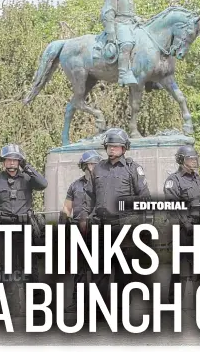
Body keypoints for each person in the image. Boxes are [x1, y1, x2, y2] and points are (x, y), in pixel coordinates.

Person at [81, 128, 151, 320]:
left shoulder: (132, 168)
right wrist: (87, 217)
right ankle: (100, 311)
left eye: (116, 146)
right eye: (110, 146)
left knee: (123, 272)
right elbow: (89, 196)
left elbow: (144, 197)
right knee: (99, 271)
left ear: (124, 148)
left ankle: (120, 311)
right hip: (102, 227)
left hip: (125, 226)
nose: (112, 149)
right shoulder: (99, 168)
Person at [0, 144, 48, 318]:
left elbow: (43, 184)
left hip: (25, 229)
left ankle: (37, 309)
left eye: (15, 160)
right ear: (3, 162)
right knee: (6, 269)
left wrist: (28, 167)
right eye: (8, 159)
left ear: (19, 161)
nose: (11, 163)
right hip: (3, 229)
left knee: (30, 269)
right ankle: (10, 309)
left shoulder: (27, 177)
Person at [163, 145, 200, 304]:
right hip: (183, 229)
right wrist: (186, 224)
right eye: (190, 159)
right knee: (181, 265)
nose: (194, 161)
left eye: (195, 158)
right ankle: (174, 300)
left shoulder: (198, 179)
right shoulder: (173, 180)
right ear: (181, 160)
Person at [61, 150, 102, 313]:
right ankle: (77, 302)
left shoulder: (103, 186)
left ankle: (98, 304)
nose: (92, 167)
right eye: (89, 164)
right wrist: (63, 221)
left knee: (98, 269)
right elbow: (66, 207)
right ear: (83, 165)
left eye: (95, 164)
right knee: (79, 270)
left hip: (97, 229)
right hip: (78, 230)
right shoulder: (75, 185)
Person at [101, 0, 145, 87]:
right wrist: (110, 31)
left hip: (131, 23)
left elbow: (130, 12)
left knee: (146, 41)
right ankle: (123, 75)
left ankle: (150, 76)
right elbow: (108, 12)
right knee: (127, 44)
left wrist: (136, 17)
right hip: (119, 24)